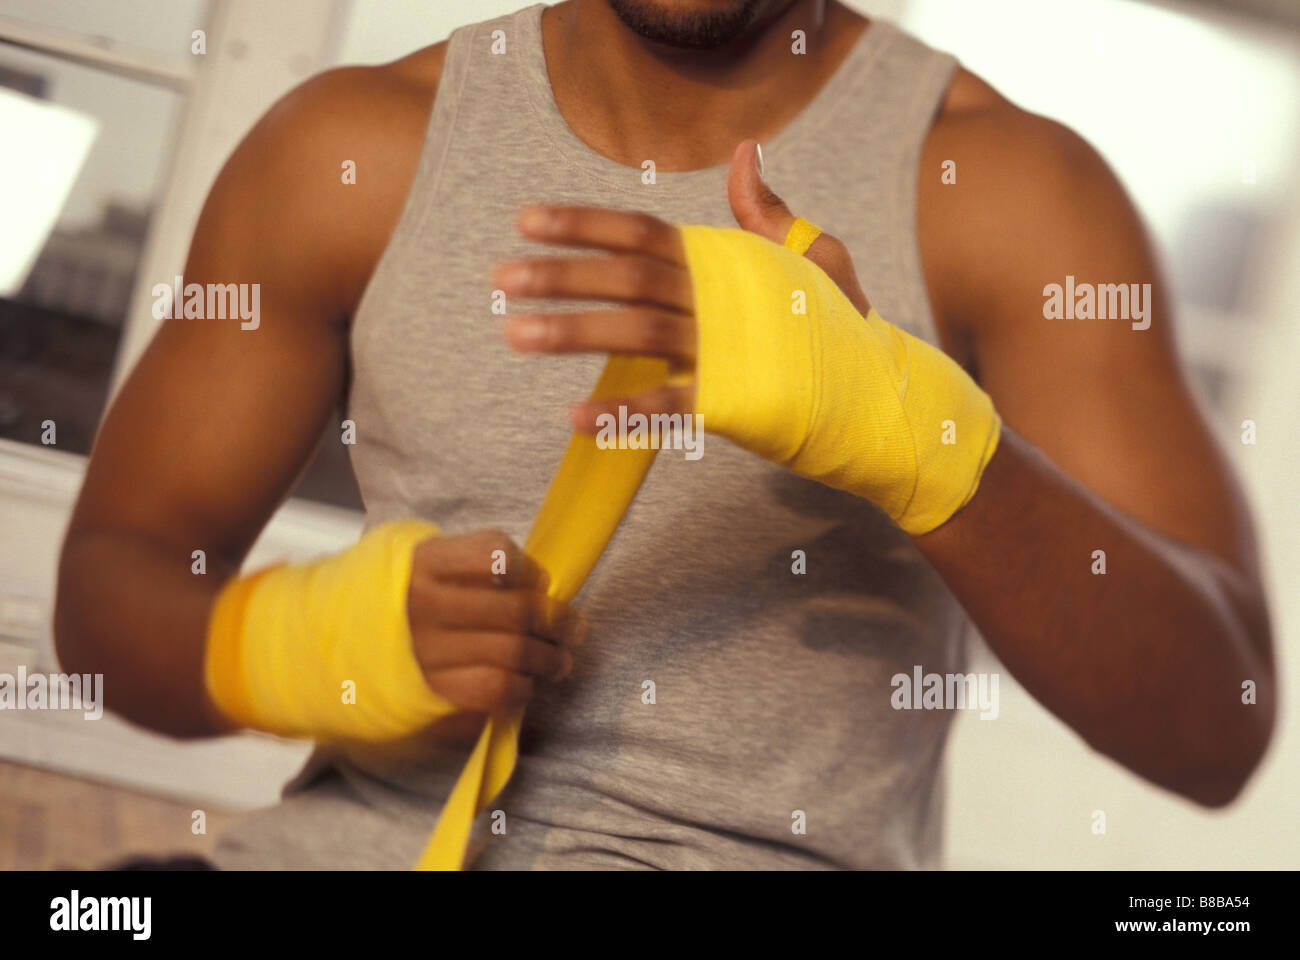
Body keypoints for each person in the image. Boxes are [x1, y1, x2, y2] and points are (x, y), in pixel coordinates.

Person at [55, 0, 1274, 869]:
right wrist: (320, 638)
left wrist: (903, 427)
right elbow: (113, 597)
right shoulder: (347, 151)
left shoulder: (1008, 193)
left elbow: (1217, 718)